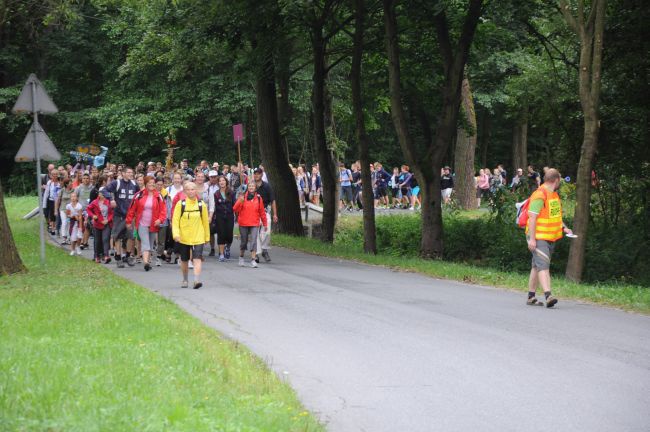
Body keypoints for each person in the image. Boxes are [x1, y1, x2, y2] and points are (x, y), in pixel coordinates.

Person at [525, 168, 573, 308]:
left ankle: (531, 297)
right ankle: (548, 295)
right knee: (543, 266)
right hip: (538, 237)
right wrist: (532, 240)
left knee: (536, 266)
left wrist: (564, 228)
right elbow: (532, 217)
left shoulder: (554, 195)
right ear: (556, 180)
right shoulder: (540, 194)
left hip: (549, 237)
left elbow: (556, 216)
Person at [172, 182, 210, 289]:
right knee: (184, 259)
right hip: (184, 237)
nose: (190, 191)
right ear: (185, 191)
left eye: (193, 189)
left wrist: (207, 237)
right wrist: (176, 234)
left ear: (196, 190)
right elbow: (175, 221)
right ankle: (185, 279)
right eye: (188, 189)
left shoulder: (201, 204)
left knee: (197, 258)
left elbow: (205, 222)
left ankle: (196, 280)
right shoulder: (181, 204)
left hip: (198, 236)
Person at [126, 176, 167, 271]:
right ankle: (145, 263)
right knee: (145, 243)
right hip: (142, 223)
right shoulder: (138, 195)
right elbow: (131, 209)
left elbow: (163, 211)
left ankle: (147, 262)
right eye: (149, 183)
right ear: (145, 183)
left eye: (153, 183)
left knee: (151, 243)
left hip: (153, 224)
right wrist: (128, 221)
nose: (151, 184)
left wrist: (160, 220)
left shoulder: (159, 196)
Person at [104, 167, 139, 268]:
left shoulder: (134, 184)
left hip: (130, 215)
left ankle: (127, 256)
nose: (130, 173)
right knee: (117, 237)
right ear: (123, 173)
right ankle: (118, 257)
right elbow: (104, 190)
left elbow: (138, 196)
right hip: (119, 214)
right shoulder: (117, 183)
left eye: (131, 172)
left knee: (131, 237)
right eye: (128, 172)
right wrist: (111, 199)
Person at [234, 181, 268, 268]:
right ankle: (241, 257)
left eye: (253, 186)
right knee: (244, 242)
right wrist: (239, 201)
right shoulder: (242, 197)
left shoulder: (259, 199)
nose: (251, 187)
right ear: (247, 188)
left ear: (255, 188)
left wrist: (265, 224)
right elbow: (235, 209)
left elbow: (262, 212)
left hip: (254, 223)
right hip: (243, 222)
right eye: (250, 186)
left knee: (253, 241)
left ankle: (253, 259)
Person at [252, 168, 277, 263]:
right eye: (255, 174)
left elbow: (273, 200)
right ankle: (257, 254)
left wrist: (275, 214)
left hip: (265, 212)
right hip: (254, 212)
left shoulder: (267, 186)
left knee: (267, 232)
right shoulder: (251, 186)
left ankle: (264, 249)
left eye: (258, 174)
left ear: (262, 175)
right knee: (255, 234)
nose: (256, 175)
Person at [211, 176, 236, 262]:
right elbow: (214, 207)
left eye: (223, 180)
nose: (222, 182)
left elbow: (235, 205)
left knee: (229, 235)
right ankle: (221, 254)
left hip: (229, 216)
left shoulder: (231, 193)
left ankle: (227, 247)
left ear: (226, 182)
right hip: (219, 217)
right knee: (221, 235)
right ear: (218, 183)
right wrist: (212, 217)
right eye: (220, 181)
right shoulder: (216, 194)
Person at [86, 188, 113, 264]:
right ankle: (96, 256)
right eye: (100, 193)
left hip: (106, 223)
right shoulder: (95, 202)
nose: (100, 195)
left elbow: (112, 213)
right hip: (97, 223)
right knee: (97, 240)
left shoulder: (108, 202)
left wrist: (108, 220)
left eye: (102, 193)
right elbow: (88, 209)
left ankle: (106, 256)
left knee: (105, 239)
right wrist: (93, 215)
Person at [56, 179, 74, 244]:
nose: (71, 184)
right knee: (64, 222)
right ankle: (64, 237)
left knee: (69, 223)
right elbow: (58, 200)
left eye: (71, 183)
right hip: (63, 209)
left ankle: (69, 238)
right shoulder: (62, 190)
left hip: (71, 210)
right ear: (66, 184)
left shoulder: (74, 190)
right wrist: (56, 210)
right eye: (70, 183)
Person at [65, 192, 84, 256]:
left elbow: (80, 217)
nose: (73, 198)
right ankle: (72, 249)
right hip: (72, 222)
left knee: (79, 236)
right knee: (73, 238)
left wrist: (80, 226)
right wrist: (71, 216)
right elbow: (67, 214)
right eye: (72, 197)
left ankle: (78, 247)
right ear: (70, 198)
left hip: (79, 222)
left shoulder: (79, 206)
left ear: (77, 198)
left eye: (74, 197)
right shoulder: (68, 206)